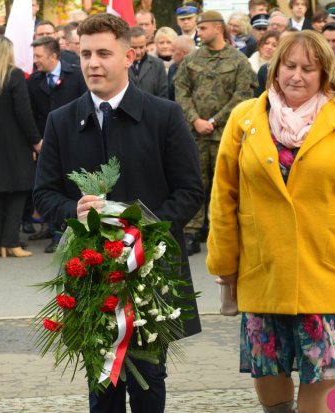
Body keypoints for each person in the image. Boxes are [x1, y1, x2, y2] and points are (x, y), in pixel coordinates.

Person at [207, 30, 335, 413]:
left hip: (326, 272)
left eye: (308, 69)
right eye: (289, 66)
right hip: (264, 272)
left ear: (324, 74)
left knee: (321, 371)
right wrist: (223, 264)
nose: (297, 75)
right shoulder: (244, 120)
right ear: (274, 70)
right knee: (268, 367)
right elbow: (223, 200)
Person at [33, 13, 203, 413]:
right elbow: (43, 194)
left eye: (104, 53)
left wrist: (147, 232)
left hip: (149, 268)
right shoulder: (61, 120)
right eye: (86, 53)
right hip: (91, 270)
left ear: (128, 56)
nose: (93, 63)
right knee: (101, 378)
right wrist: (72, 209)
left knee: (148, 378)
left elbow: (190, 190)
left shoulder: (164, 115)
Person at [175, 10, 257, 256]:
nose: (199, 33)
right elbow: (180, 91)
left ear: (218, 29)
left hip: (225, 134)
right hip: (196, 134)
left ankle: (225, 231)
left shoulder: (238, 61)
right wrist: (195, 119)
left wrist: (214, 120)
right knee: (195, 182)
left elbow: (244, 95)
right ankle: (192, 231)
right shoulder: (191, 60)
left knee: (226, 184)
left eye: (203, 28)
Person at [0, 36, 42, 258]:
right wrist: (36, 140)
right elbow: (24, 112)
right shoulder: (13, 75)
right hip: (14, 140)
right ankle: (11, 242)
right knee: (19, 188)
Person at [27, 36, 88, 253]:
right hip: (46, 142)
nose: (35, 61)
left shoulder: (76, 75)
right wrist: (36, 140)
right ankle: (54, 231)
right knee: (51, 188)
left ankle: (69, 231)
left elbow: (86, 102)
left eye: (39, 56)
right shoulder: (33, 81)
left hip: (75, 139)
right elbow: (31, 113)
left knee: (72, 188)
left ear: (53, 56)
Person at [128, 26, 167, 98]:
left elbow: (163, 95)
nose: (138, 52)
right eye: (134, 48)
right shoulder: (119, 65)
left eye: (141, 47)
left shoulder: (158, 64)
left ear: (146, 44)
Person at [168, 34, 195, 101]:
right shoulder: (173, 68)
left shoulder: (198, 69)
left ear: (184, 53)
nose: (170, 54)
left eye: (173, 51)